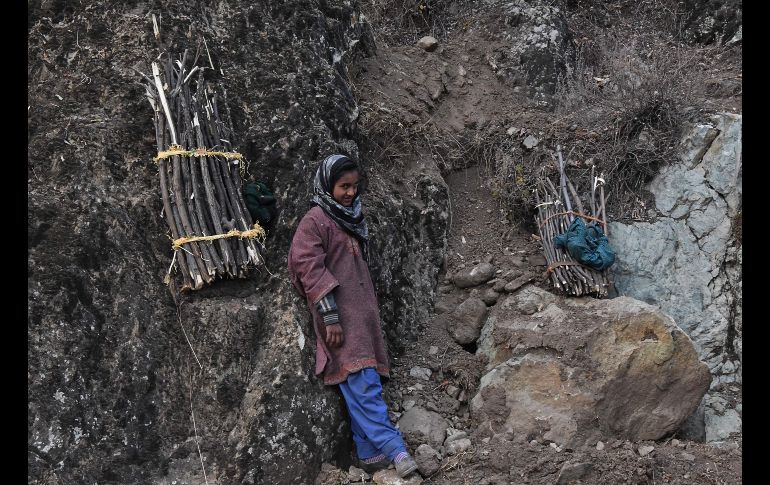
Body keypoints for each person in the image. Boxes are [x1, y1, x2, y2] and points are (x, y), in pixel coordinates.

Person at [288, 154, 418, 478]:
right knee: (364, 384)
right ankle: (395, 449)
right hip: (341, 322)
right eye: (343, 186)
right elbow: (306, 264)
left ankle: (369, 453)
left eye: (354, 186)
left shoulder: (350, 217)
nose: (349, 193)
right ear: (327, 184)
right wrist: (330, 316)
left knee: (360, 385)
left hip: (363, 321)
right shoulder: (315, 220)